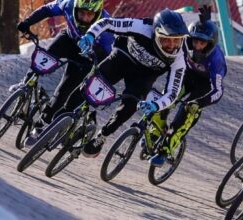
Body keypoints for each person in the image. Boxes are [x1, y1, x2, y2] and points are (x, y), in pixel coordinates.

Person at [71, 8, 189, 157]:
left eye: (177, 40)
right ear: (156, 32)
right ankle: (67, 115)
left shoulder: (180, 59)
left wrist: (155, 105)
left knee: (129, 106)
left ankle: (102, 136)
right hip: (121, 59)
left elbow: (172, 93)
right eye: (166, 39)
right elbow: (107, 23)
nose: (172, 46)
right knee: (88, 84)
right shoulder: (142, 26)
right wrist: (90, 35)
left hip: (143, 77)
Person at [12, 0, 115, 144]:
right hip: (68, 40)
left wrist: (95, 58)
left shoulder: (106, 25)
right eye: (81, 13)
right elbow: (46, 10)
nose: (85, 18)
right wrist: (28, 22)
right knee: (45, 57)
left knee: (64, 90)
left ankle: (41, 126)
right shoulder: (68, 4)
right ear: (75, 9)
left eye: (89, 15)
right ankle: (27, 82)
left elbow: (108, 54)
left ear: (97, 14)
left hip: (87, 56)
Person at [146, 5, 227, 167]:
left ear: (210, 44)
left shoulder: (216, 60)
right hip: (186, 77)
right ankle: (155, 133)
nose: (197, 46)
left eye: (202, 43)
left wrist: (199, 103)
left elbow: (218, 90)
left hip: (203, 87)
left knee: (187, 112)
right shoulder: (184, 43)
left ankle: (165, 151)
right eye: (195, 40)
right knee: (165, 100)